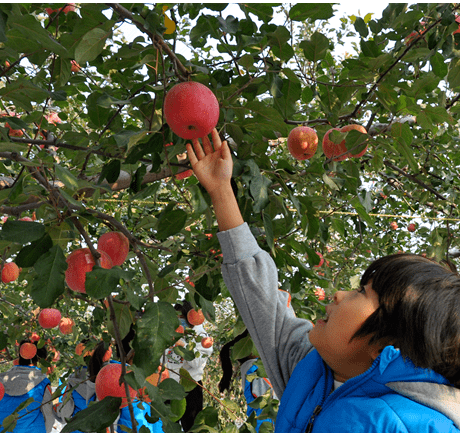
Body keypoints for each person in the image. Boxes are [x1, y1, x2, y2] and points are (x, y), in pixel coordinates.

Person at [186, 129, 460, 432]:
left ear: (385, 345)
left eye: (361, 292)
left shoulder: (403, 424)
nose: (339, 294)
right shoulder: (313, 372)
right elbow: (263, 302)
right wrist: (221, 189)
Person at [0, 340, 55, 432]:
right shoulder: (42, 384)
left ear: (20, 356)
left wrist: (0, 426)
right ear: (40, 360)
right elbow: (49, 416)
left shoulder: (0, 383)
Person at [163, 301, 213, 431]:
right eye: (177, 318)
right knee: (167, 426)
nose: (179, 322)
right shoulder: (170, 332)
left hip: (190, 387)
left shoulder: (200, 336)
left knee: (191, 427)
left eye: (182, 319)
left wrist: (183, 346)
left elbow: (198, 364)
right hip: (169, 386)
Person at [218, 329, 275, 431]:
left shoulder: (252, 368)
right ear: (250, 350)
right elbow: (269, 398)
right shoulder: (254, 369)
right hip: (266, 426)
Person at [53, 340, 109, 431]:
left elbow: (66, 410)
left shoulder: (73, 378)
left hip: (77, 427)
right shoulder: (108, 376)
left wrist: (56, 412)